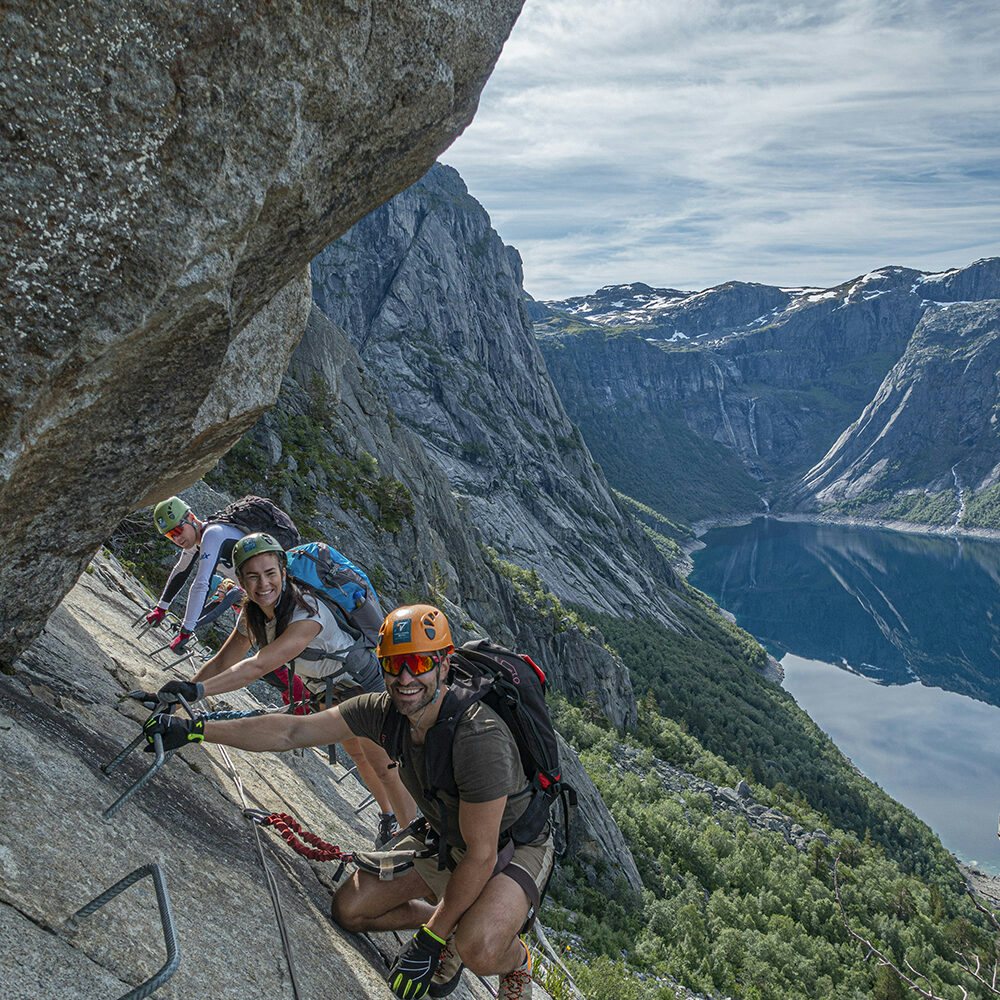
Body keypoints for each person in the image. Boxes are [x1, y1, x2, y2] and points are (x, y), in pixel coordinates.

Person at [145, 602, 551, 1000]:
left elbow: (480, 855)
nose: (406, 677)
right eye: (394, 664)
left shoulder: (479, 738)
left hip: (511, 845)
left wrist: (429, 941)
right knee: (351, 910)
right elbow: (291, 733)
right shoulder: (384, 711)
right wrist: (197, 729)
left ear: (444, 664)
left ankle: (513, 960)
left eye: (421, 663)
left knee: (479, 947)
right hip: (448, 835)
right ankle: (455, 925)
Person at [149, 532, 416, 848]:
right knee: (358, 754)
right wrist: (180, 697)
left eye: (270, 574)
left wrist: (197, 692)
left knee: (384, 767)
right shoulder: (254, 616)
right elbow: (223, 662)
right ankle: (388, 818)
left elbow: (258, 666)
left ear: (284, 572)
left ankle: (409, 840)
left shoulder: (308, 612)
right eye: (253, 577)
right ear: (241, 580)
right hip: (329, 689)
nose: (263, 585)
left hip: (364, 687)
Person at [144, 496, 246, 654]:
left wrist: (186, 632)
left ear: (191, 518)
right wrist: (161, 609)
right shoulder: (198, 540)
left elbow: (201, 583)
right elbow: (181, 570)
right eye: (171, 535)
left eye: (178, 530)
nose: (177, 539)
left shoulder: (213, 534)